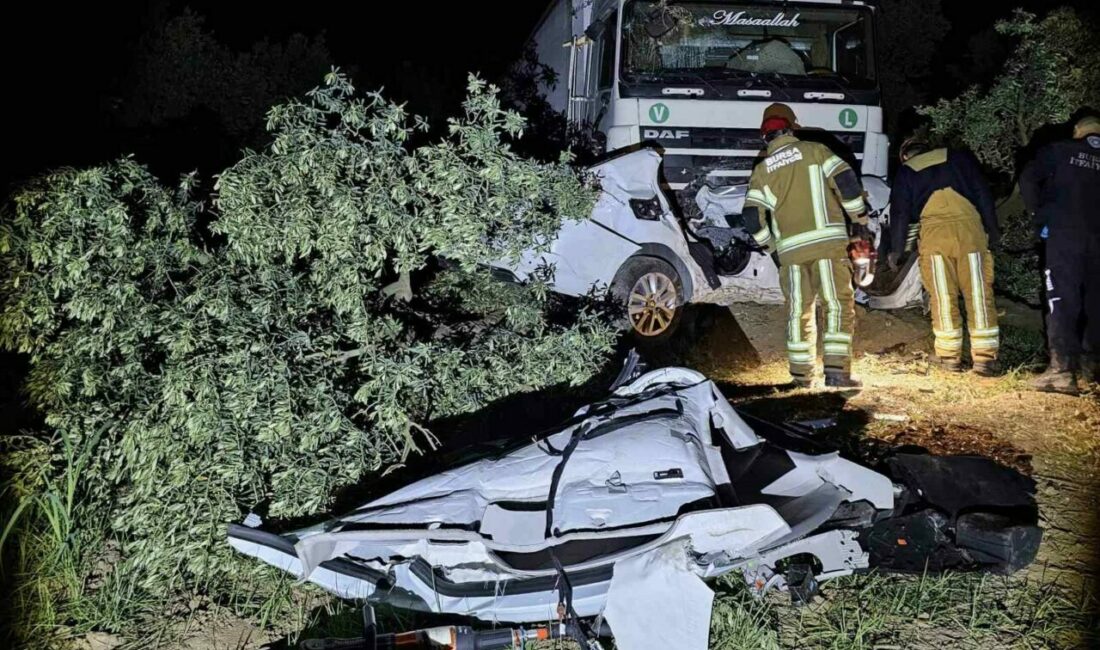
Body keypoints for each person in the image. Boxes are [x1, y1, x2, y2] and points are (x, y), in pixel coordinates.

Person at [743, 110, 871, 388]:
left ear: (765, 138)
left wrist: (772, 247)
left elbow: (752, 217)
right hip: (827, 246)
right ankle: (837, 373)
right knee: (836, 305)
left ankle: (801, 376)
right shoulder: (815, 151)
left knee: (798, 311)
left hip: (790, 255)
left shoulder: (762, 170)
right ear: (791, 129)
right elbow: (847, 184)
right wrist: (859, 218)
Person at [887, 139, 1001, 375]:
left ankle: (949, 359)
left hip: (935, 236)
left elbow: (900, 214)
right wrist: (993, 230)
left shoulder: (907, 171)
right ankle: (985, 360)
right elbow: (983, 193)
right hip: (971, 232)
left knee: (942, 295)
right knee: (978, 293)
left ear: (905, 156)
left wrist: (897, 251)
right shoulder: (958, 157)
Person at [1019, 115, 1100, 395]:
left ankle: (1062, 371)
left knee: (1061, 300)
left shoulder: (1060, 150)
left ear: (1079, 131)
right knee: (1096, 301)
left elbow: (1028, 177)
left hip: (1064, 236)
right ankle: (1093, 370)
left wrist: (1039, 216)